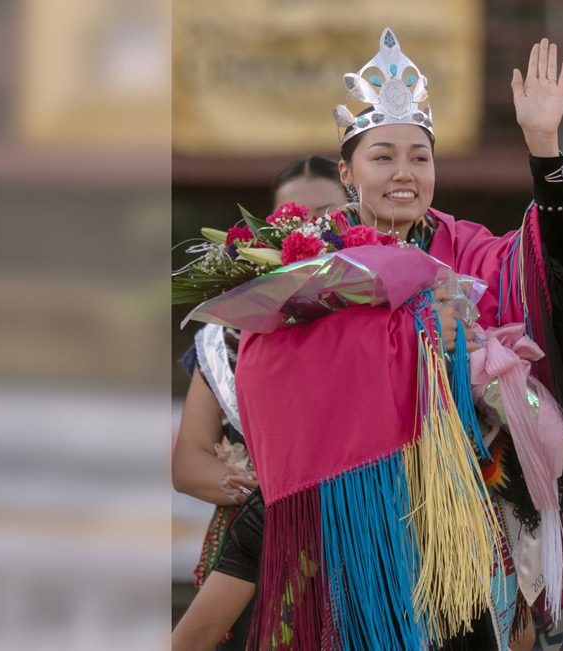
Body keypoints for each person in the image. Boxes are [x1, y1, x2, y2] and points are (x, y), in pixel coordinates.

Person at [237, 29, 563, 651]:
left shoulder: (466, 249)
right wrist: (413, 334)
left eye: (419, 158)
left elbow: (550, 277)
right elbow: (270, 369)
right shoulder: (313, 261)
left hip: (463, 523)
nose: (404, 173)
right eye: (382, 157)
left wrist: (544, 152)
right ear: (346, 172)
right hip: (358, 522)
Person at [172, 155, 348, 651]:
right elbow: (188, 462)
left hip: (351, 539)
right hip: (257, 548)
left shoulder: (375, 318)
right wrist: (248, 487)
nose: (310, 229)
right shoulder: (229, 333)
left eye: (327, 216)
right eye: (294, 218)